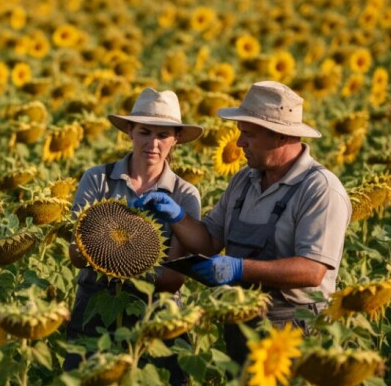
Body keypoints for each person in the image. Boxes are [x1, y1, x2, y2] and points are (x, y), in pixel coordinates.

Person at [132, 81, 351, 365]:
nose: (239, 144)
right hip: (241, 320)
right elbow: (209, 241)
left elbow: (312, 270)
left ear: (279, 137)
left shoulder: (319, 189)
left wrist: (238, 268)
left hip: (293, 329)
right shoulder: (244, 180)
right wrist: (177, 217)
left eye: (248, 135)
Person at [63, 87, 203, 385]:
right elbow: (75, 254)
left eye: (163, 135)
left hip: (156, 315)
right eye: (144, 132)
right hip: (94, 306)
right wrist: (133, 255)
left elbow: (173, 279)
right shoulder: (98, 178)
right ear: (130, 131)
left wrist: (105, 252)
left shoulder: (185, 195)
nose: (153, 143)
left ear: (176, 138)